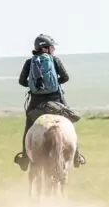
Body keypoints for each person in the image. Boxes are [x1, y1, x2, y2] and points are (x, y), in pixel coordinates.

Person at [13, 34, 86, 171]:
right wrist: (54, 84)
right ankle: (76, 156)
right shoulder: (55, 60)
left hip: (36, 102)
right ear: (45, 48)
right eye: (52, 47)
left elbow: (22, 81)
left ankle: (25, 158)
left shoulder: (30, 62)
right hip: (56, 100)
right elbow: (66, 77)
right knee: (69, 124)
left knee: (29, 127)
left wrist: (35, 86)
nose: (53, 49)